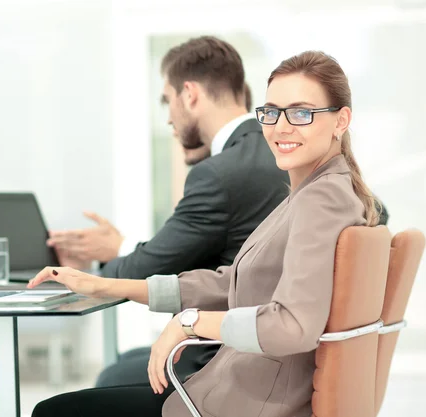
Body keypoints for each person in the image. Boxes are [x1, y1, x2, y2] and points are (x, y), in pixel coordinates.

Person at [29, 50, 381, 417]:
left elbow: (292, 325)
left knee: (53, 411)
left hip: (247, 402)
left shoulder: (320, 200)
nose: (281, 126)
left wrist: (189, 323)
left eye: (301, 113)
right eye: (272, 112)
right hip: (240, 389)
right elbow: (232, 282)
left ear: (341, 120)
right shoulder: (316, 191)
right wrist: (108, 285)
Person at [47, 36, 290, 387]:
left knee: (92, 388)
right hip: (266, 347)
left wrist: (88, 271)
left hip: (231, 357)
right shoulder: (279, 154)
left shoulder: (221, 173)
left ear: (189, 94)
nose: (169, 119)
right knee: (126, 363)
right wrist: (119, 248)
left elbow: (149, 268)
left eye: (167, 101)